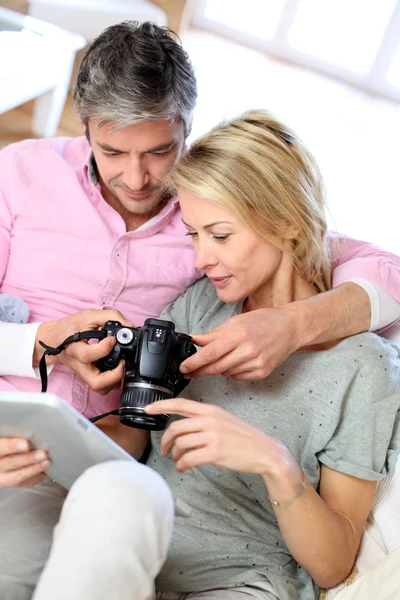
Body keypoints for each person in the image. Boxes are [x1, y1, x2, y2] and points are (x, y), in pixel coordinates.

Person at [0, 20, 400, 599]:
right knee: (113, 497)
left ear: (187, 127)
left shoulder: (355, 358)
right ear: (84, 125)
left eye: (160, 151)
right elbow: (135, 436)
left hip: (178, 538)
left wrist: (290, 331)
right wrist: (39, 356)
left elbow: (354, 256)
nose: (136, 178)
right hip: (65, 468)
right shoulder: (22, 173)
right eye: (111, 150)